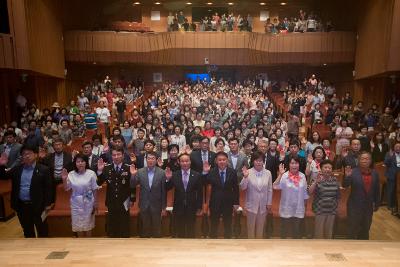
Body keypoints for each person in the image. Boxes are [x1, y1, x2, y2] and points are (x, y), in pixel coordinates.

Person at [2, 145, 53, 237]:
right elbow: (4, 176)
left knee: (42, 230)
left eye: (29, 153)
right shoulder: (17, 169)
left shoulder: (43, 169)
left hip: (38, 206)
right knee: (27, 231)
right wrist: (2, 165)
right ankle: (31, 250)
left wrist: (48, 204)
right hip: (22, 206)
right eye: (24, 154)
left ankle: (44, 250)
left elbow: (48, 188)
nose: (27, 156)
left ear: (35, 155)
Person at [96, 147, 136, 238]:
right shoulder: (106, 168)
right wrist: (99, 171)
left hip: (124, 201)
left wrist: (132, 199)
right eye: (114, 155)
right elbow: (99, 183)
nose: (116, 157)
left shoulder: (128, 168)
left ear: (122, 156)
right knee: (112, 224)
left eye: (118, 154)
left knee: (124, 224)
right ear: (111, 156)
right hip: (111, 201)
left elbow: (132, 185)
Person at [343, 151, 380, 240]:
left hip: (368, 206)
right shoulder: (353, 172)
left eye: (367, 159)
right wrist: (347, 176)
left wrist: (377, 203)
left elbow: (377, 189)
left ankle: (363, 250)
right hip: (354, 206)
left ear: (370, 161)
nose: (365, 160)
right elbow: (345, 185)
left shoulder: (375, 173)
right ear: (359, 161)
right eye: (363, 159)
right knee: (352, 229)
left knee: (365, 229)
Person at [165, 153, 203, 238]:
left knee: (191, 229)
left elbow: (200, 193)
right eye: (182, 161)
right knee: (180, 230)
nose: (185, 163)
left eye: (187, 161)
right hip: (178, 206)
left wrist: (199, 207)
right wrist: (168, 179)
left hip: (192, 206)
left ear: (190, 162)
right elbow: (167, 188)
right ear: (179, 162)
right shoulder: (174, 174)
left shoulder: (197, 175)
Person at [61, 154, 99, 237]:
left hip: (88, 201)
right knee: (78, 226)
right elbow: (67, 188)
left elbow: (95, 189)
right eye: (78, 161)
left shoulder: (91, 173)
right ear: (75, 163)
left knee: (88, 225)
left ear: (86, 163)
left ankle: (88, 246)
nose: (80, 163)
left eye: (82, 161)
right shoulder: (71, 174)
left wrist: (96, 203)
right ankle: (80, 246)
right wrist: (64, 179)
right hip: (75, 202)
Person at [203, 151, 239, 239]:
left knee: (228, 224)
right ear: (216, 161)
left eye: (224, 160)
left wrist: (236, 203)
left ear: (227, 161)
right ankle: (212, 243)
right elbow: (204, 183)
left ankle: (228, 243)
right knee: (214, 225)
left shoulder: (232, 172)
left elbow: (236, 188)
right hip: (215, 202)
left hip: (228, 202)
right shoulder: (211, 172)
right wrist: (205, 173)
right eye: (220, 160)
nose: (222, 162)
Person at [131, 151, 167, 238]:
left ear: (156, 160)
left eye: (152, 158)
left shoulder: (162, 172)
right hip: (144, 204)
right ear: (146, 160)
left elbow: (164, 191)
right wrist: (132, 176)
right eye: (149, 158)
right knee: (145, 230)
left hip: (157, 204)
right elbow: (132, 185)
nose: (150, 160)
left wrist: (164, 207)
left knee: (156, 230)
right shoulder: (140, 171)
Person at [273, 156, 309, 239]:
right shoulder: (284, 176)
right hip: (286, 207)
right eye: (292, 163)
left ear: (299, 165)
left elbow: (305, 194)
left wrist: (305, 207)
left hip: (298, 208)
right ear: (288, 164)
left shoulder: (302, 176)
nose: (294, 165)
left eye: (296, 163)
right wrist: (280, 175)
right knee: (284, 232)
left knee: (296, 233)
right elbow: (275, 186)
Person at [240, 151, 273, 238]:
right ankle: (250, 247)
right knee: (250, 229)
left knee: (260, 229)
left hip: (263, 205)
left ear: (263, 162)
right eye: (256, 160)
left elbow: (270, 189)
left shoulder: (268, 173)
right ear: (253, 161)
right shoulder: (248, 172)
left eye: (261, 160)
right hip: (251, 205)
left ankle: (259, 248)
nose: (258, 162)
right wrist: (245, 177)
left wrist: (269, 202)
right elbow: (243, 187)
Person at [308, 160, 340, 239]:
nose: (327, 169)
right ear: (321, 169)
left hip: (331, 210)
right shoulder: (316, 179)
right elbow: (309, 192)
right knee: (319, 233)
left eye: (329, 168)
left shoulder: (335, 181)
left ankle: (327, 248)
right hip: (320, 210)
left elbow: (338, 196)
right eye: (325, 167)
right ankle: (318, 249)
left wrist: (335, 207)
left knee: (329, 232)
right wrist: (316, 182)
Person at [40, 138, 73, 203]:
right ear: (53, 147)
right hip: (52, 180)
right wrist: (40, 159)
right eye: (56, 145)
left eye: (59, 144)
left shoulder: (69, 156)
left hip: (65, 180)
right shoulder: (48, 157)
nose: (58, 147)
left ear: (63, 145)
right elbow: (43, 168)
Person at [384, 141, 400, 215]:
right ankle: (391, 205)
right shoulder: (389, 154)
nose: (398, 148)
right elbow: (386, 163)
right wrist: (390, 156)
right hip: (392, 175)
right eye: (397, 146)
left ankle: (397, 206)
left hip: (399, 175)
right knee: (391, 191)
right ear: (394, 147)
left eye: (399, 147)